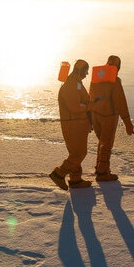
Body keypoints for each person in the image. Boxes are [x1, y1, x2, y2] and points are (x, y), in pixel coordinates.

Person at [89, 55, 134, 182]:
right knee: (107, 143)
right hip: (108, 116)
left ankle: (99, 167)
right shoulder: (115, 81)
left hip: (95, 115)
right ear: (118, 67)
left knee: (102, 142)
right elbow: (121, 103)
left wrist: (89, 117)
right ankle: (103, 172)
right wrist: (127, 122)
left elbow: (90, 97)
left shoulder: (96, 77)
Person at [50, 59, 92, 190]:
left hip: (78, 123)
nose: (87, 74)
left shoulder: (76, 83)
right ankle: (59, 173)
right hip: (72, 124)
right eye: (86, 71)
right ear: (80, 70)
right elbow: (75, 106)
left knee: (76, 152)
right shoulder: (71, 84)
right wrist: (89, 105)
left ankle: (75, 179)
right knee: (79, 153)